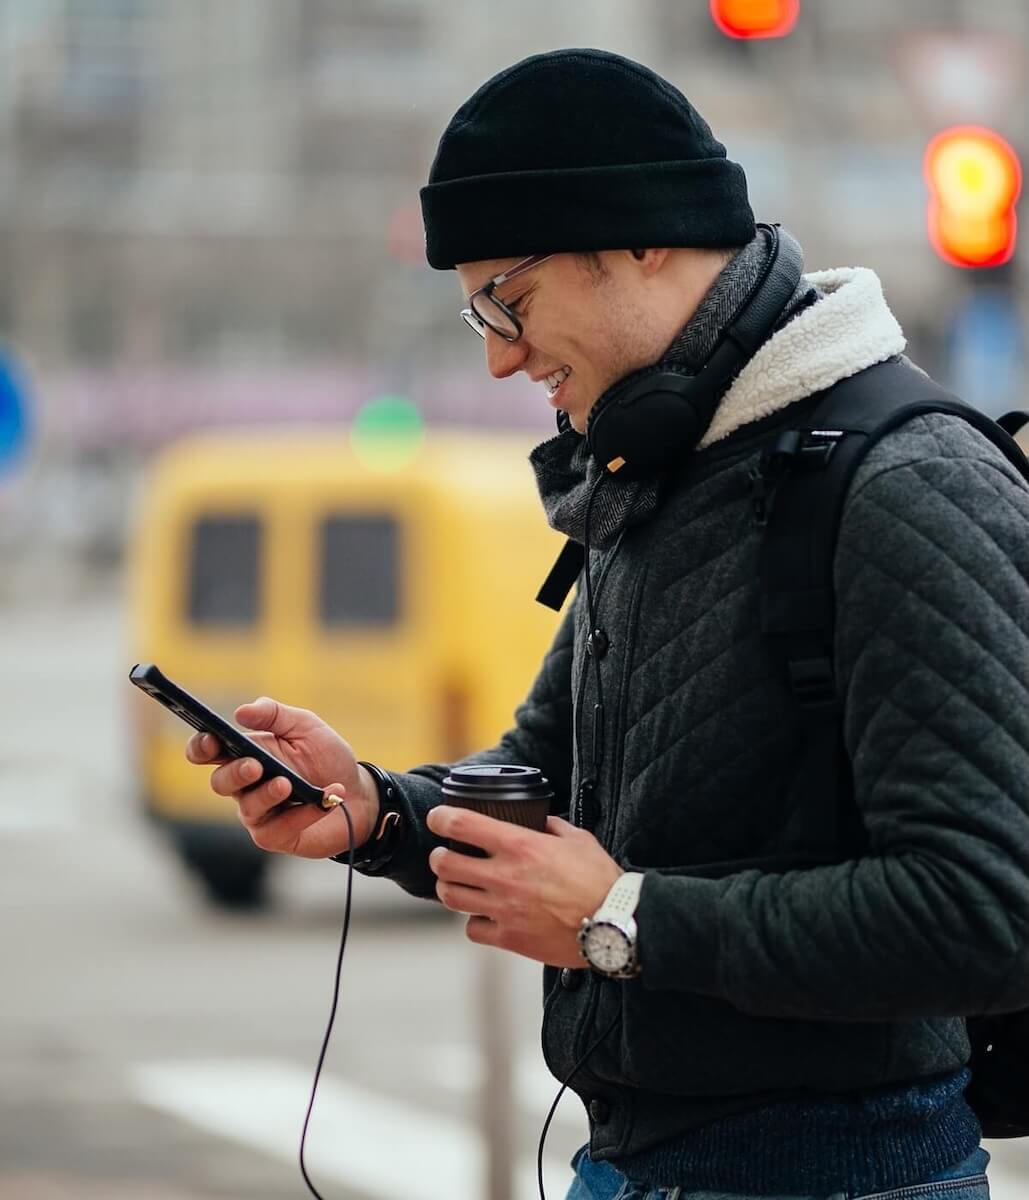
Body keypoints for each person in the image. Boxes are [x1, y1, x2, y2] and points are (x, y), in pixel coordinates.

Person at [185, 48, 1029, 1200]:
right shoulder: (654, 472)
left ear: (641, 240)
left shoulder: (908, 483)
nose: (497, 355)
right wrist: (374, 810)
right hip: (633, 1165)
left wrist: (620, 918)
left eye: (511, 301)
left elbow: (985, 913)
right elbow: (539, 779)